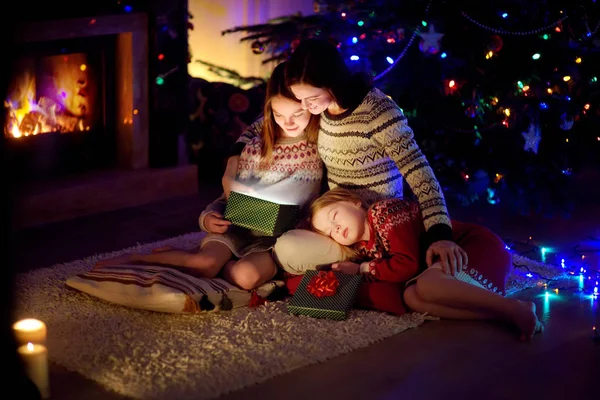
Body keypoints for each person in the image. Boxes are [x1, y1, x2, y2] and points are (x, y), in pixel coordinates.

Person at [226, 38, 467, 275]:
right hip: (331, 224)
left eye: (310, 99)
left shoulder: (378, 112)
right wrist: (231, 167)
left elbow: (420, 173)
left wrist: (440, 234)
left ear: (332, 84)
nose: (305, 107)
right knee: (266, 227)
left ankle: (372, 270)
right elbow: (265, 123)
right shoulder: (319, 108)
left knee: (285, 247)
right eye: (300, 100)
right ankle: (233, 247)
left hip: (377, 231)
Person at [95, 62, 323, 290]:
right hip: (238, 230)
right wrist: (207, 218)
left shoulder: (320, 143)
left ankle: (209, 260)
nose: (288, 122)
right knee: (203, 265)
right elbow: (230, 199)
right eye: (278, 114)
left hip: (275, 243)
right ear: (269, 110)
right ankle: (138, 259)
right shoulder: (256, 146)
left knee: (246, 277)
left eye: (297, 114)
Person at [308, 187, 544, 341]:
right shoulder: (363, 248)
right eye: (330, 232)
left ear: (354, 203)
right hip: (444, 269)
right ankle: (505, 313)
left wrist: (361, 269)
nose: (336, 229)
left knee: (427, 283)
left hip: (471, 247)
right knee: (412, 297)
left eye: (335, 217)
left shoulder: (384, 212)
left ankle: (512, 306)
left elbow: (407, 265)